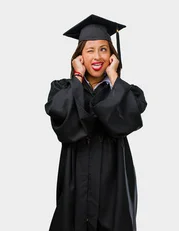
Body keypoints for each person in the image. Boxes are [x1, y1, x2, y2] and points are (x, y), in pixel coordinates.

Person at [45, 14, 147, 231]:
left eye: (103, 49)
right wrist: (77, 78)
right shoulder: (63, 89)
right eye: (90, 50)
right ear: (79, 56)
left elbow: (127, 121)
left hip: (114, 180)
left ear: (112, 55)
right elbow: (64, 125)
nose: (97, 56)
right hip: (75, 180)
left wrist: (114, 79)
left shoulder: (125, 91)